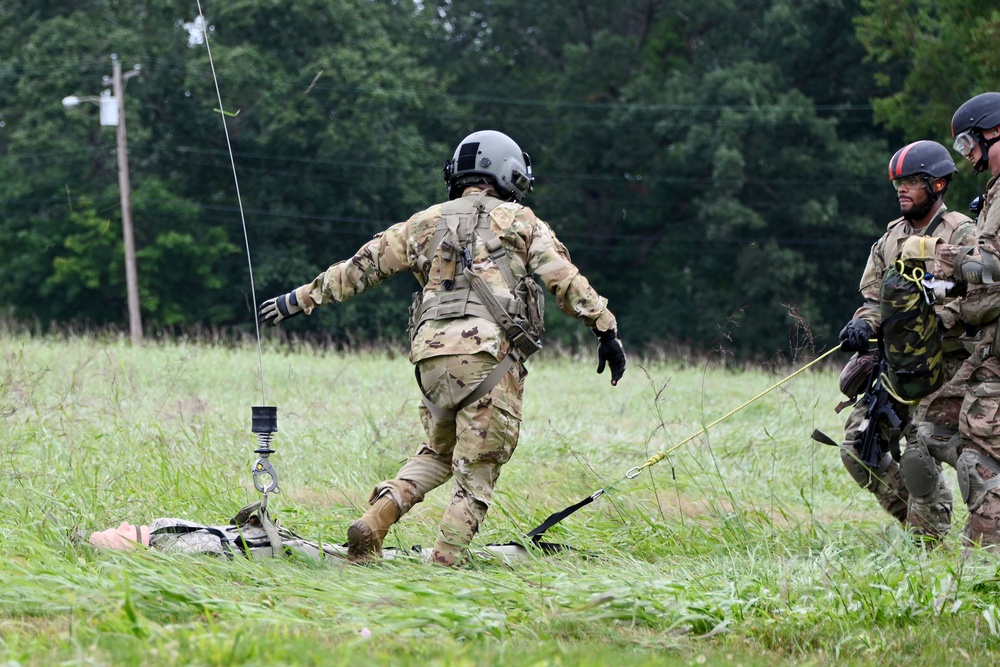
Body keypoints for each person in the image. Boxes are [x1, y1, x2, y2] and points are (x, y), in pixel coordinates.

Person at [257, 130, 626, 566]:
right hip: (489, 362)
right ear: (508, 174)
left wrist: (298, 299)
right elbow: (564, 280)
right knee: (478, 472)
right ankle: (444, 568)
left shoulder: (423, 222)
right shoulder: (521, 221)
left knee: (439, 453)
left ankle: (374, 521)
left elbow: (362, 266)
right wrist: (605, 329)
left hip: (430, 363)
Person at [837, 140, 975, 544]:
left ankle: (928, 543)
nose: (902, 189)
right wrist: (862, 325)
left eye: (913, 181)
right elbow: (873, 300)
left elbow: (977, 299)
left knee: (917, 456)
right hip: (895, 366)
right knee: (856, 449)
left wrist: (935, 316)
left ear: (937, 185)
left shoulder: (962, 233)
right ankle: (915, 517)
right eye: (899, 182)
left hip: (945, 367)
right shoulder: (890, 239)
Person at [898, 92, 1000, 548]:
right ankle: (942, 543)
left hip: (985, 350)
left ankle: (982, 562)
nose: (971, 157)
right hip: (987, 345)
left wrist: (948, 260)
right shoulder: (994, 193)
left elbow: (992, 264)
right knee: (933, 428)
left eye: (970, 143)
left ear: (993, 132)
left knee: (979, 457)